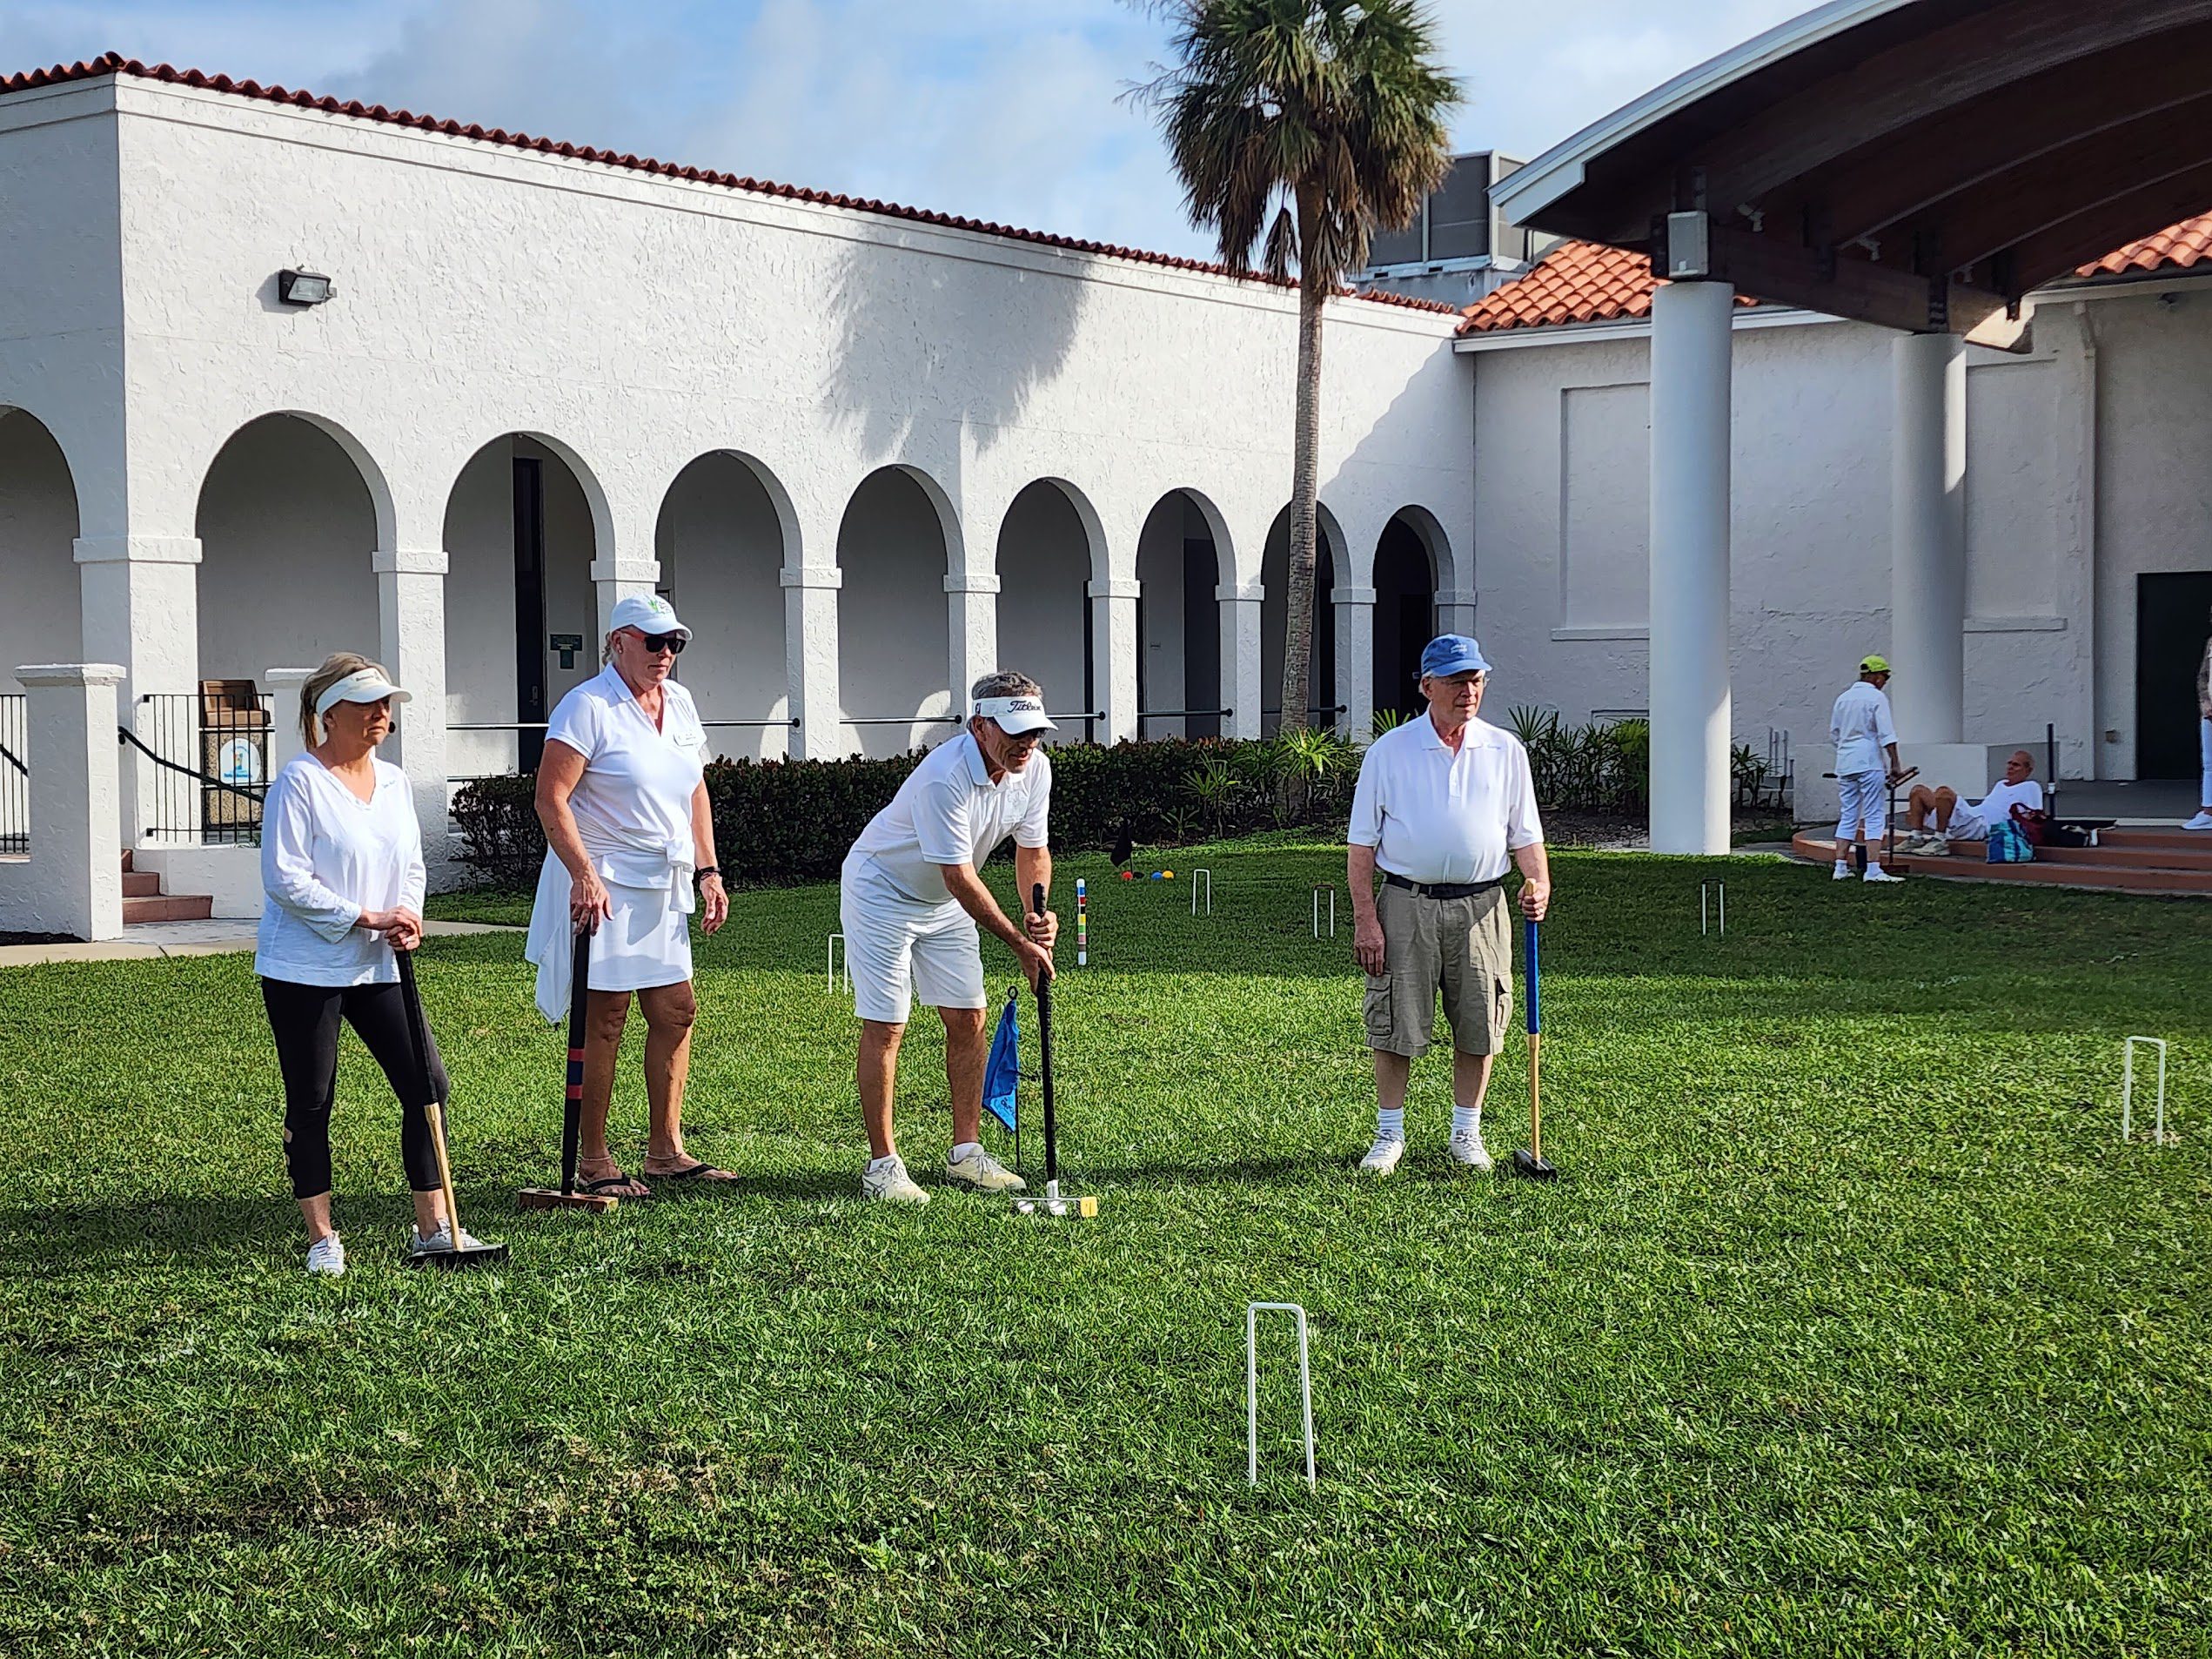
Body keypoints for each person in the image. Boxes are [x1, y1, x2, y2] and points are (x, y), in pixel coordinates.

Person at [258, 652, 476, 1276]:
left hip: (379, 964)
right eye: (368, 703)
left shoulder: (396, 782)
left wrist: (407, 912)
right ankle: (322, 1238)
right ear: (331, 714)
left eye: (386, 703)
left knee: (427, 1085)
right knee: (311, 1101)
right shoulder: (299, 782)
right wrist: (366, 916)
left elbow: (412, 864)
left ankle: (433, 1228)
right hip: (304, 968)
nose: (382, 713)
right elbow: (284, 880)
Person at [526, 594, 730, 1200]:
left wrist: (708, 870)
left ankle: (665, 1150)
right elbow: (550, 797)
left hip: (663, 882)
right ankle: (594, 1158)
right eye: (653, 641)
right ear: (618, 642)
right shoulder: (587, 706)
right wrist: (583, 873)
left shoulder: (680, 703)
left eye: (675, 643)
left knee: (676, 1011)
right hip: (604, 881)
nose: (666, 653)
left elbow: (695, 791)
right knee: (606, 1018)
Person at [841, 671, 1058, 1203]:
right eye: (1015, 733)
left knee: (968, 1017)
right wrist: (1018, 942)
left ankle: (966, 1153)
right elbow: (959, 876)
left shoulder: (1035, 770)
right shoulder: (945, 777)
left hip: (944, 902)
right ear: (979, 726)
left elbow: (1032, 849)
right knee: (888, 1023)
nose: (1027, 744)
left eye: (1035, 732)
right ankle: (882, 1166)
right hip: (882, 890)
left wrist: (1036, 914)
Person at [1346, 635, 1550, 1177]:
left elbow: (1525, 834)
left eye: (1476, 680)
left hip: (1483, 907)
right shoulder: (1389, 752)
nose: (1469, 691)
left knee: (1481, 1020)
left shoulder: (1506, 751)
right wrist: (1367, 921)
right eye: (1457, 681)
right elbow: (1361, 846)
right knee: (1396, 1021)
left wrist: (1539, 881)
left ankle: (1467, 1131)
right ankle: (1389, 1134)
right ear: (1427, 686)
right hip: (1405, 904)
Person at [1830, 655, 1904, 883]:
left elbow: (1835, 734)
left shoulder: (1843, 698)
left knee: (1848, 813)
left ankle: (1840, 867)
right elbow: (1886, 733)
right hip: (1869, 761)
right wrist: (1895, 762)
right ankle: (1873, 869)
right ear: (1876, 676)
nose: (1885, 682)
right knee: (1873, 814)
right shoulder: (1876, 697)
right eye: (1885, 677)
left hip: (1845, 762)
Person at [1901, 749, 2042, 853]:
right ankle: (1916, 838)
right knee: (1918, 791)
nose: (2010, 767)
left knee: (1944, 793)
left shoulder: (2031, 787)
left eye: (2016, 765)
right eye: (2009, 763)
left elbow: (2033, 817)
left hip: (1983, 825)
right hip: (1975, 815)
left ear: (2028, 770)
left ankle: (1940, 841)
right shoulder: (2001, 784)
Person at [2187, 608, 2212, 832]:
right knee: (2209, 763)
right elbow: (2203, 676)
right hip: (2210, 712)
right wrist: (2205, 701)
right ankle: (2208, 812)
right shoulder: (2211, 644)